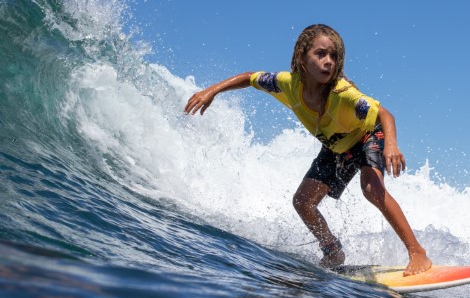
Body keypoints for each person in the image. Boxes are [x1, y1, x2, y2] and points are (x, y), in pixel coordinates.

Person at [184, 24, 432, 276]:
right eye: (320, 54)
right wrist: (211, 90)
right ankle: (332, 250)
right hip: (336, 146)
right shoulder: (287, 84)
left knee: (371, 189)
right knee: (303, 202)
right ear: (302, 57)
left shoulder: (342, 93)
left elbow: (384, 114)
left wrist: (391, 145)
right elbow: (250, 78)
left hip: (367, 135)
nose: (328, 61)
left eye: (334, 56)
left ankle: (417, 252)